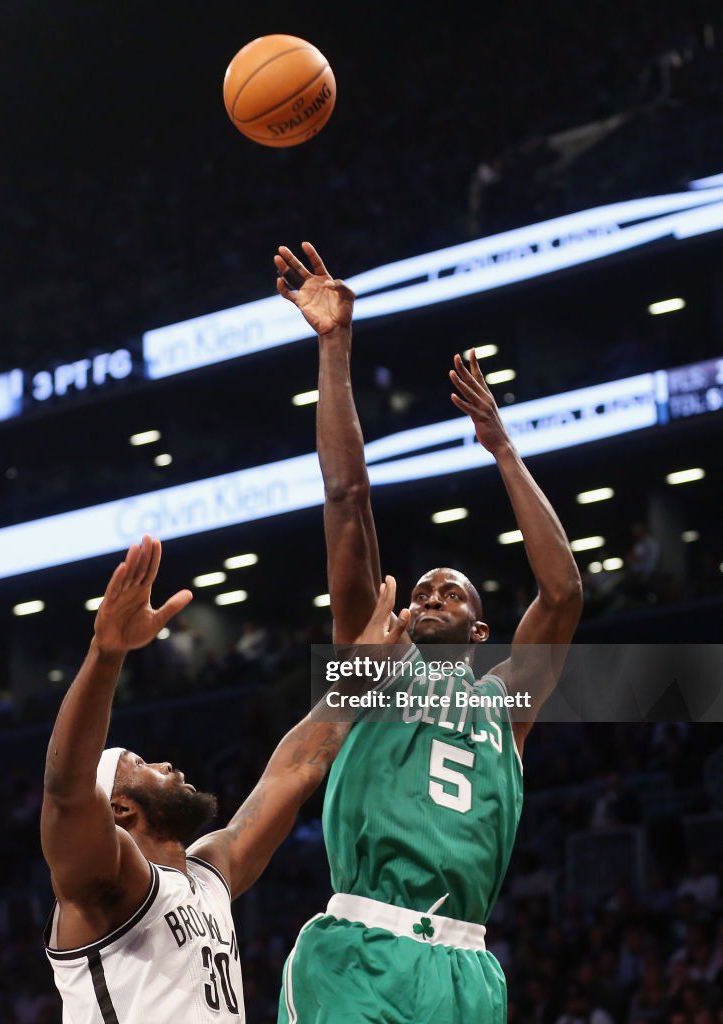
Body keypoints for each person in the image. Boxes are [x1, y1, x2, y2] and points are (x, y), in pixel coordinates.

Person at [273, 242, 583, 1023]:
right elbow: (346, 499)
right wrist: (333, 346)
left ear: (481, 630)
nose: (427, 590)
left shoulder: (506, 704)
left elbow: (562, 590)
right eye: (420, 588)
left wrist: (502, 449)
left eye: (450, 589)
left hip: (465, 966)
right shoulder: (368, 671)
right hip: (359, 947)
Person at [41, 533, 408, 1023]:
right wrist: (106, 655)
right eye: (143, 765)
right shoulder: (112, 882)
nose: (167, 765)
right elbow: (67, 788)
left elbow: (296, 770)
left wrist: (356, 680)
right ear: (120, 808)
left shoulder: (207, 876)